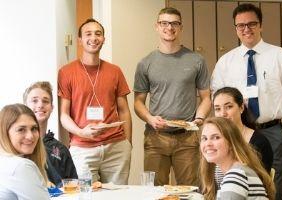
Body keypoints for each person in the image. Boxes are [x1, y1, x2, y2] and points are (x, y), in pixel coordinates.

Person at [211, 3, 282, 199]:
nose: (246, 29)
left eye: (251, 24)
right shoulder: (226, 62)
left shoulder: (281, 56)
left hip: (274, 132)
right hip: (238, 133)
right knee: (241, 184)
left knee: (278, 189)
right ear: (235, 28)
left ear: (261, 25)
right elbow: (217, 99)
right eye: (240, 25)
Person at [134, 7, 211, 186]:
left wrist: (199, 118)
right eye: (164, 23)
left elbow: (206, 97)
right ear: (157, 26)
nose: (170, 27)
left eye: (175, 23)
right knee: (154, 190)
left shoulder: (196, 60)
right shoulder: (145, 63)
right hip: (156, 137)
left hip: (187, 137)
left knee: (191, 189)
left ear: (181, 27)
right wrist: (150, 119)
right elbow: (138, 102)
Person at [58, 18, 132, 184]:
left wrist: (128, 143)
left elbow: (124, 110)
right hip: (82, 148)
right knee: (87, 195)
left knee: (117, 197)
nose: (94, 38)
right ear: (80, 40)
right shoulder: (66, 72)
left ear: (104, 39)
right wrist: (81, 132)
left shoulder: (115, 71)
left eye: (98, 34)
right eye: (88, 34)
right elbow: (63, 114)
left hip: (116, 147)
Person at [200, 117, 275, 200]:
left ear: (231, 143)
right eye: (204, 138)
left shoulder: (236, 176)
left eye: (216, 137)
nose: (207, 143)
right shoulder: (235, 170)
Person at [213, 87, 273, 183]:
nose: (222, 114)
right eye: (217, 109)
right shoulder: (212, 141)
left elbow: (262, 183)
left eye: (229, 107)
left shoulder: (259, 142)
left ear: (241, 107)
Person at [23, 81, 78, 186]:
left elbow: (73, 186)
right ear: (25, 106)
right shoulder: (19, 145)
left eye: (45, 101)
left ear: (52, 108)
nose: (40, 105)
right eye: (34, 101)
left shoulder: (60, 149)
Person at [0, 104, 50, 199]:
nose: (30, 136)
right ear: (4, 133)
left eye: (34, 128)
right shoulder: (20, 166)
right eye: (21, 130)